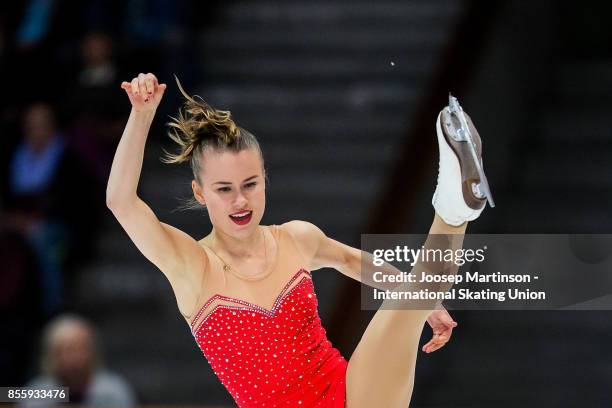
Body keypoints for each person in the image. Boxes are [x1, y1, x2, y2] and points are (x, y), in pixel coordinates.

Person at [106, 73, 492, 407]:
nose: (240, 200)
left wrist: (424, 307)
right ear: (200, 192)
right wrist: (141, 116)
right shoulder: (192, 265)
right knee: (416, 293)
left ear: (264, 179)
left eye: (250, 185)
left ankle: (454, 207)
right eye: (224, 189)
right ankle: (451, 214)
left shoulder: (296, 238)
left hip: (352, 393)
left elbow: (354, 262)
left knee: (414, 292)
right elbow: (121, 202)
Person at [21, 314, 137, 408]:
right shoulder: (36, 393)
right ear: (51, 356)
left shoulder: (114, 391)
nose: (74, 358)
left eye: (80, 349)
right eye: (66, 350)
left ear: (93, 352)